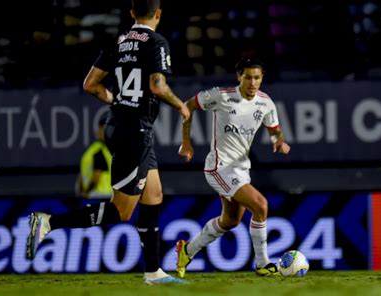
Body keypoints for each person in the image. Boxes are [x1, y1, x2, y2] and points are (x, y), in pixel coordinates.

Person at [26, 0, 190, 284]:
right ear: (159, 14)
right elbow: (157, 85)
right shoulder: (157, 42)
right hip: (134, 131)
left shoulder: (121, 40)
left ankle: (153, 271)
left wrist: (116, 101)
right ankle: (49, 222)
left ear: (131, 12)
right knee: (122, 211)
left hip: (122, 125)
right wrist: (181, 107)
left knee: (154, 195)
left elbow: (90, 84)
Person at [176, 56, 291, 277]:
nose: (252, 83)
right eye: (248, 77)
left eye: (257, 78)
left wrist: (279, 140)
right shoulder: (221, 96)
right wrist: (186, 142)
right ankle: (263, 264)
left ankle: (187, 251)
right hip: (219, 167)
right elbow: (187, 106)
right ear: (239, 76)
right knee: (260, 206)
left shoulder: (265, 102)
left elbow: (275, 129)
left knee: (230, 220)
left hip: (240, 169)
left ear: (262, 78)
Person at [76, 115, 113, 199]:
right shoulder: (99, 151)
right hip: (98, 195)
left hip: (96, 194)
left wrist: (82, 192)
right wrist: (85, 192)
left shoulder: (95, 150)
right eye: (101, 129)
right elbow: (96, 175)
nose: (102, 132)